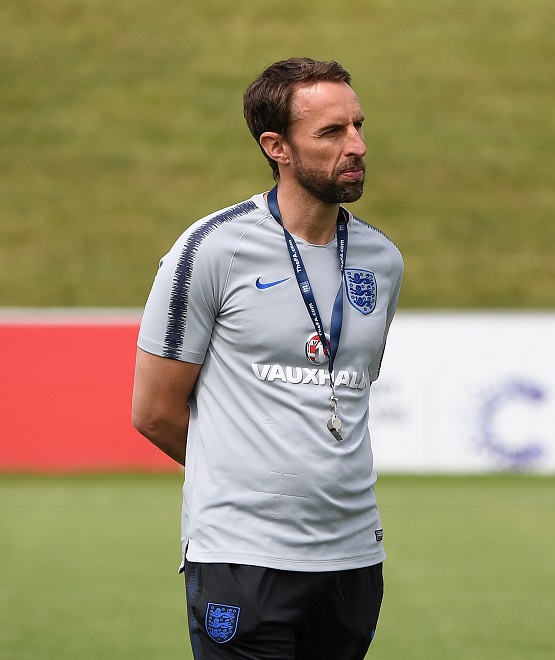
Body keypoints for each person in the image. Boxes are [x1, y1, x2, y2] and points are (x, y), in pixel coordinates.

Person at [131, 57, 403, 660]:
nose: (356, 145)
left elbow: (342, 390)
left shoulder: (383, 260)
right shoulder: (212, 249)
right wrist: (241, 479)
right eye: (332, 133)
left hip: (354, 556)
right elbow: (155, 411)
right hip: (241, 557)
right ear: (276, 146)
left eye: (358, 126)